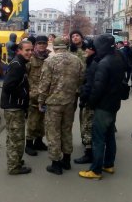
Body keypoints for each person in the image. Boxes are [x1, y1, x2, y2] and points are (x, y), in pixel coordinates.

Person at [79, 34, 126, 180]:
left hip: (103, 105)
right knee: (110, 136)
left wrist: (91, 103)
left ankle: (96, 170)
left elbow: (98, 87)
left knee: (98, 138)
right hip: (113, 104)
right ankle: (108, 164)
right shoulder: (117, 59)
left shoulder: (104, 63)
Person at [37, 37, 84, 175]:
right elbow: (81, 79)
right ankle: (67, 160)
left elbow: (44, 83)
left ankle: (56, 164)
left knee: (53, 133)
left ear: (55, 48)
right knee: (66, 130)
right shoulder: (77, 60)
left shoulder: (49, 61)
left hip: (53, 103)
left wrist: (41, 101)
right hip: (70, 101)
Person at [0, 40, 33, 175]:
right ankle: (14, 166)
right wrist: (25, 94)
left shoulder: (19, 63)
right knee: (16, 138)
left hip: (15, 106)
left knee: (15, 137)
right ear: (19, 50)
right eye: (27, 50)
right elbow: (8, 86)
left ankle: (16, 160)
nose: (30, 53)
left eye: (31, 50)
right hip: (13, 107)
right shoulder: (17, 65)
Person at [25, 35, 51, 156]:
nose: (41, 45)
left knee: (43, 122)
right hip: (33, 96)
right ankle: (29, 144)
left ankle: (39, 142)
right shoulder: (30, 58)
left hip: (46, 95)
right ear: (35, 45)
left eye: (44, 43)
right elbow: (24, 76)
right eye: (39, 43)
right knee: (33, 121)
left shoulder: (49, 58)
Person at [74, 37, 97, 164]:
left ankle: (89, 154)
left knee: (88, 127)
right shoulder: (93, 60)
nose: (85, 51)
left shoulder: (93, 63)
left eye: (88, 48)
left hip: (90, 100)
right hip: (91, 99)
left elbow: (90, 83)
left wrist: (84, 97)